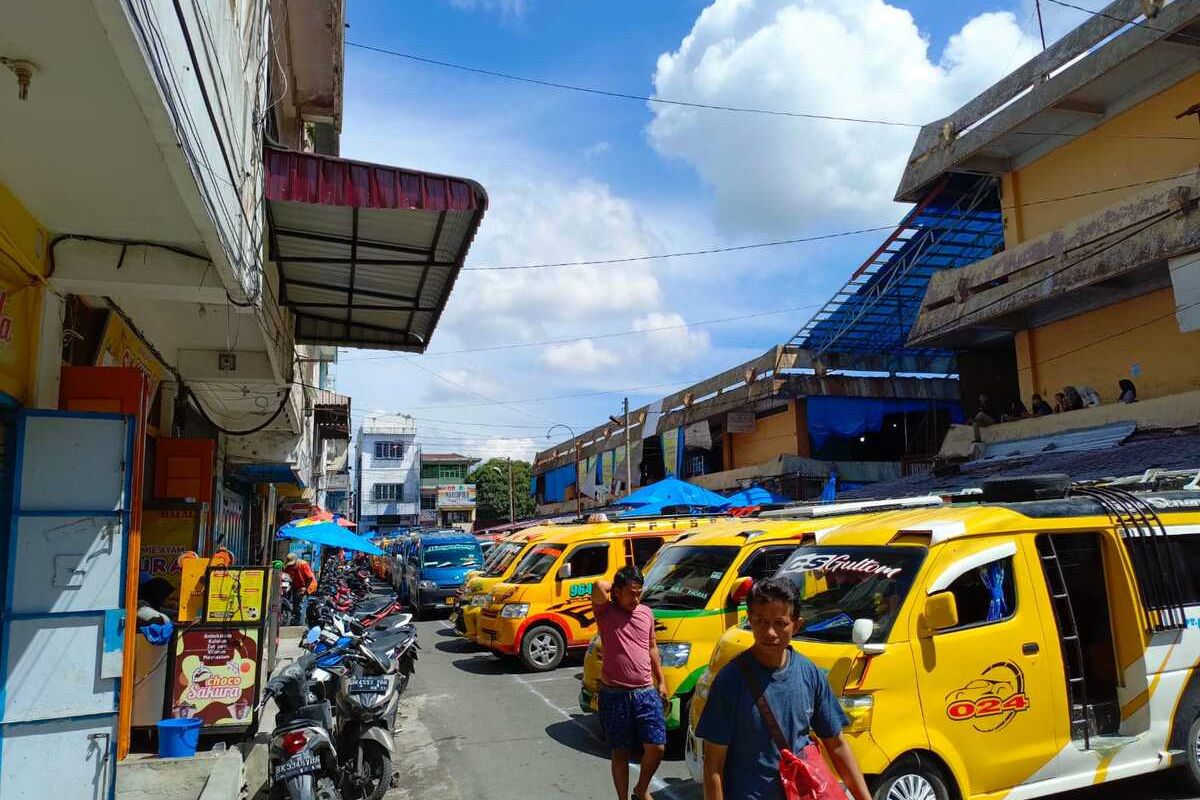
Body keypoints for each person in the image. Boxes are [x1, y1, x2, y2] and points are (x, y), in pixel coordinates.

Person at [697, 578, 872, 800]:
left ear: (796, 625)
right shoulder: (729, 681)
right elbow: (713, 764)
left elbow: (836, 745)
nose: (770, 632)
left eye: (780, 623)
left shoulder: (809, 673)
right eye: (761, 621)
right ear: (749, 619)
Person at [592, 566, 668, 800]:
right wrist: (616, 586)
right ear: (616, 592)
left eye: (639, 593)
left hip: (645, 691)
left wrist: (661, 680)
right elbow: (598, 585)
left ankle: (641, 789)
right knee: (621, 752)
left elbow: (652, 647)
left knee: (657, 747)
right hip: (614, 694)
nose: (635, 599)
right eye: (630, 593)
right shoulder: (605, 612)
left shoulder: (646, 613)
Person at [284, 552, 317, 625]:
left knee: (300, 604)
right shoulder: (288, 566)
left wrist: (305, 588)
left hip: (307, 584)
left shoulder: (303, 564)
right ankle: (296, 619)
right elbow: (285, 575)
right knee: (295, 603)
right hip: (296, 585)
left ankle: (300, 623)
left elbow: (310, 578)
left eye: (293, 564)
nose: (292, 566)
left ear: (296, 561)